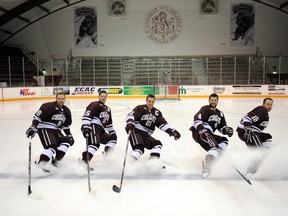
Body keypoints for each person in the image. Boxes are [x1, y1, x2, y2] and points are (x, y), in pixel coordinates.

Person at [125, 94, 181, 168]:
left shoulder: (157, 112)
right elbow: (130, 115)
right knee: (139, 149)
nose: (150, 103)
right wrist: (130, 123)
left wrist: (172, 131)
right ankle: (128, 165)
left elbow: (162, 124)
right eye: (149, 101)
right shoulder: (140, 108)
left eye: (152, 102)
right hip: (136, 131)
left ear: (154, 102)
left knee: (157, 145)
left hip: (146, 135)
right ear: (146, 101)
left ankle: (152, 164)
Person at [25, 92, 74, 171]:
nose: (61, 100)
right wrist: (33, 127)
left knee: (66, 142)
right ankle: (41, 165)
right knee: (51, 147)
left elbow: (65, 125)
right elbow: (37, 117)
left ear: (65, 99)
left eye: (62, 99)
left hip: (56, 131)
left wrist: (69, 135)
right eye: (59, 99)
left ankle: (56, 162)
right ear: (56, 99)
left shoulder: (66, 110)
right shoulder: (48, 106)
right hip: (45, 128)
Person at [189, 93, 234, 177]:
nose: (213, 102)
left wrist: (226, 130)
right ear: (209, 101)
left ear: (217, 101)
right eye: (211, 100)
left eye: (215, 100)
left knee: (223, 141)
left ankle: (211, 161)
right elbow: (197, 120)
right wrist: (202, 130)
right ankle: (209, 164)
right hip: (198, 132)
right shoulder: (205, 109)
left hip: (209, 134)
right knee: (215, 147)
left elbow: (221, 127)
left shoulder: (220, 114)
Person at [236, 97, 273, 178]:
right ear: (263, 104)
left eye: (271, 105)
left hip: (253, 133)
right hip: (247, 133)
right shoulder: (262, 111)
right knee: (259, 151)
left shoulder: (265, 113)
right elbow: (247, 118)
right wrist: (248, 130)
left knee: (267, 137)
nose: (269, 106)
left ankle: (255, 161)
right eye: (267, 104)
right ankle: (250, 170)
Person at [81, 90, 117, 166]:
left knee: (112, 139)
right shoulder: (95, 104)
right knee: (94, 144)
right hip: (92, 126)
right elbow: (87, 115)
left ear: (107, 97)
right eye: (102, 96)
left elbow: (108, 124)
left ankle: (107, 156)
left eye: (105, 96)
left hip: (100, 129)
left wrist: (112, 133)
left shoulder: (108, 109)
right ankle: (83, 163)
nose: (103, 98)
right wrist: (86, 127)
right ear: (99, 97)